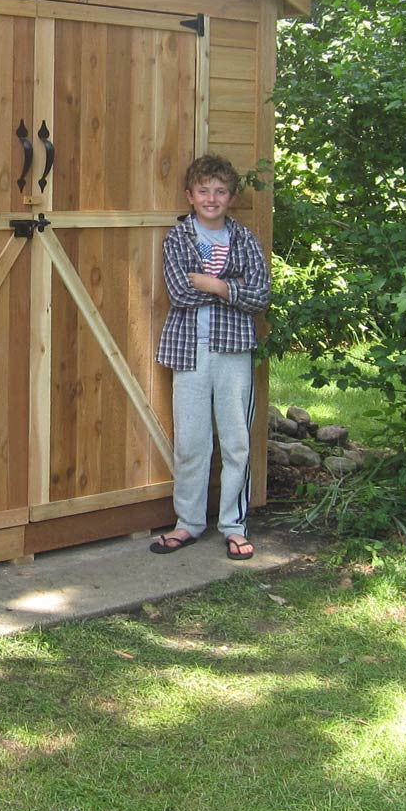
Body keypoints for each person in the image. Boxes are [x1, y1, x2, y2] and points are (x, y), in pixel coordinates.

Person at [150, 154, 271, 561]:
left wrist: (212, 284)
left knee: (236, 442)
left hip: (234, 351)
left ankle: (234, 526)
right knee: (191, 443)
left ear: (231, 197)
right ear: (190, 195)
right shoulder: (178, 238)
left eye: (220, 191)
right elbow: (179, 293)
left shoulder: (245, 240)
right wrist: (230, 285)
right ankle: (188, 523)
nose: (212, 198)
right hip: (190, 352)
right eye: (204, 191)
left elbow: (259, 296)